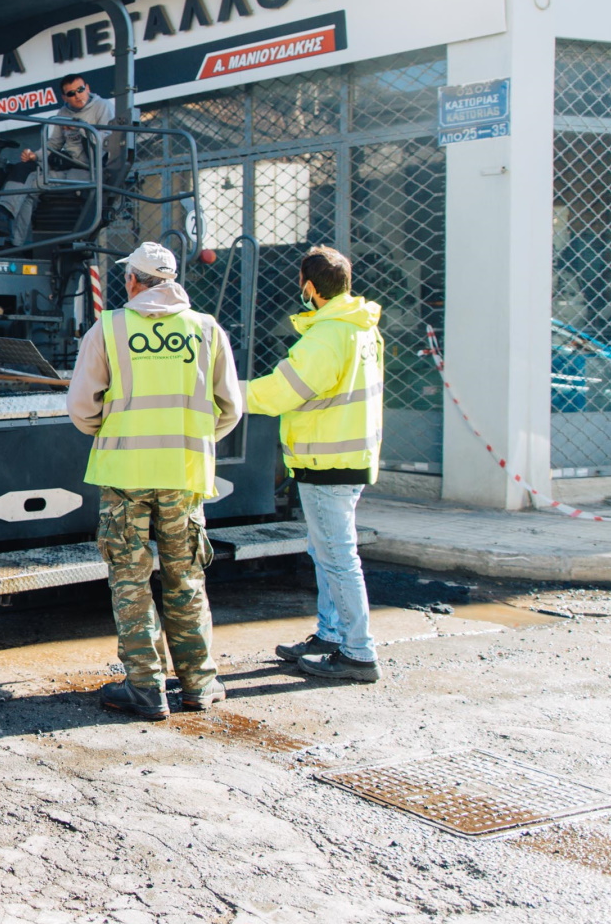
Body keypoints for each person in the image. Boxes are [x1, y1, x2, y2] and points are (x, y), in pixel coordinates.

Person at [68, 242, 244, 721]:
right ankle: (199, 685)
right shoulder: (207, 330)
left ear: (132, 281)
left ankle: (145, 689)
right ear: (170, 279)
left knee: (131, 580)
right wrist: (191, 439)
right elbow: (230, 408)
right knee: (186, 577)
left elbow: (83, 408)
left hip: (125, 475)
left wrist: (111, 428)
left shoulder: (109, 328)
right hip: (184, 477)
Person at [246, 246, 384, 683]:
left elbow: (284, 391)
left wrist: (229, 394)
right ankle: (331, 635)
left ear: (309, 287)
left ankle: (359, 653)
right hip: (346, 457)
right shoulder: (360, 329)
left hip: (329, 461)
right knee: (326, 552)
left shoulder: (329, 336)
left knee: (338, 556)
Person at [0, 74, 115, 244]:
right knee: (25, 178)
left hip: (88, 171)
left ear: (87, 88)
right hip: (65, 166)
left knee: (28, 184)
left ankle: (6, 221)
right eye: (71, 93)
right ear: (64, 97)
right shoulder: (63, 112)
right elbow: (54, 144)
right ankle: (11, 233)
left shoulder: (103, 106)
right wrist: (35, 155)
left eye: (80, 90)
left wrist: (80, 128)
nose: (77, 96)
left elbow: (106, 143)